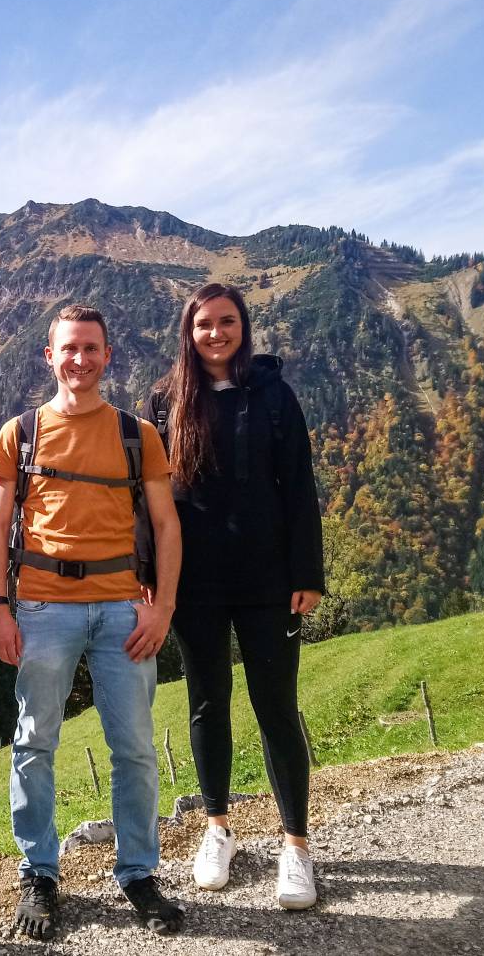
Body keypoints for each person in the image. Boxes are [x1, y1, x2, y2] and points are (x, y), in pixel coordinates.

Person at [0, 304, 186, 938]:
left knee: (134, 750)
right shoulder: (21, 433)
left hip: (125, 609)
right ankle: (39, 872)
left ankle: (139, 874)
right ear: (50, 355)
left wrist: (163, 607)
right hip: (41, 608)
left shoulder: (137, 435)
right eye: (69, 348)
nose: (79, 359)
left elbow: (166, 524)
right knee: (34, 743)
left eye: (91, 348)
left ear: (107, 355)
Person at [147, 282, 323, 911]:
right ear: (188, 333)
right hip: (197, 580)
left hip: (269, 578)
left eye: (227, 322)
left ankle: (296, 845)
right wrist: (153, 577)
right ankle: (217, 827)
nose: (216, 333)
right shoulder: (166, 399)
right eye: (204, 325)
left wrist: (308, 572)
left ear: (243, 327)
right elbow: (153, 499)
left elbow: (300, 484)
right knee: (206, 704)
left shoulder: (274, 394)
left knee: (277, 708)